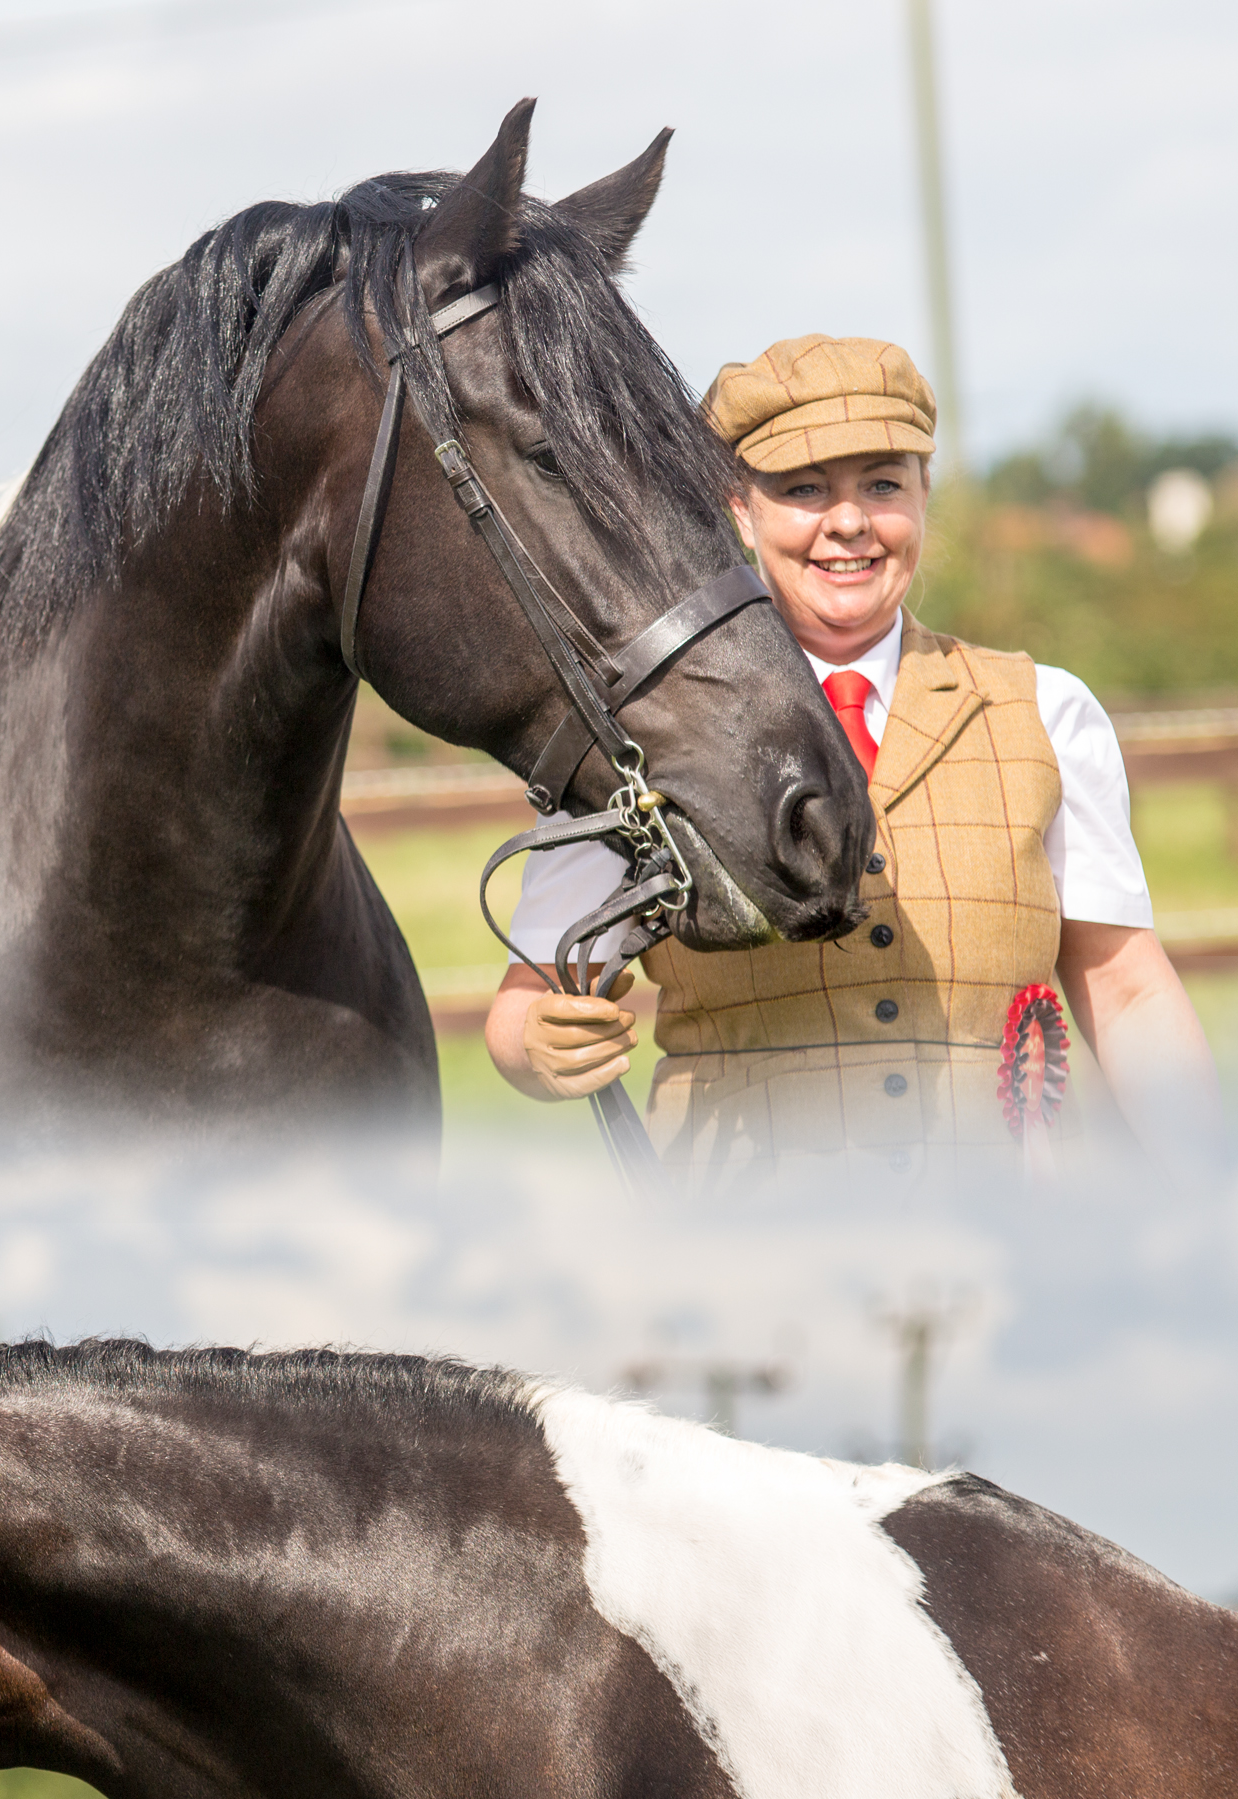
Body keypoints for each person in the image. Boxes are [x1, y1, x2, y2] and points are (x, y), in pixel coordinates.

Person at [485, 335, 1220, 1180]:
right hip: (749, 1254)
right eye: (803, 489)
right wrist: (540, 1045)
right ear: (738, 508)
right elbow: (525, 1006)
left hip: (1013, 1247)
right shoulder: (634, 740)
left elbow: (1127, 991)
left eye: (882, 483)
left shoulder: (1048, 714)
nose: (849, 522)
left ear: (923, 492)